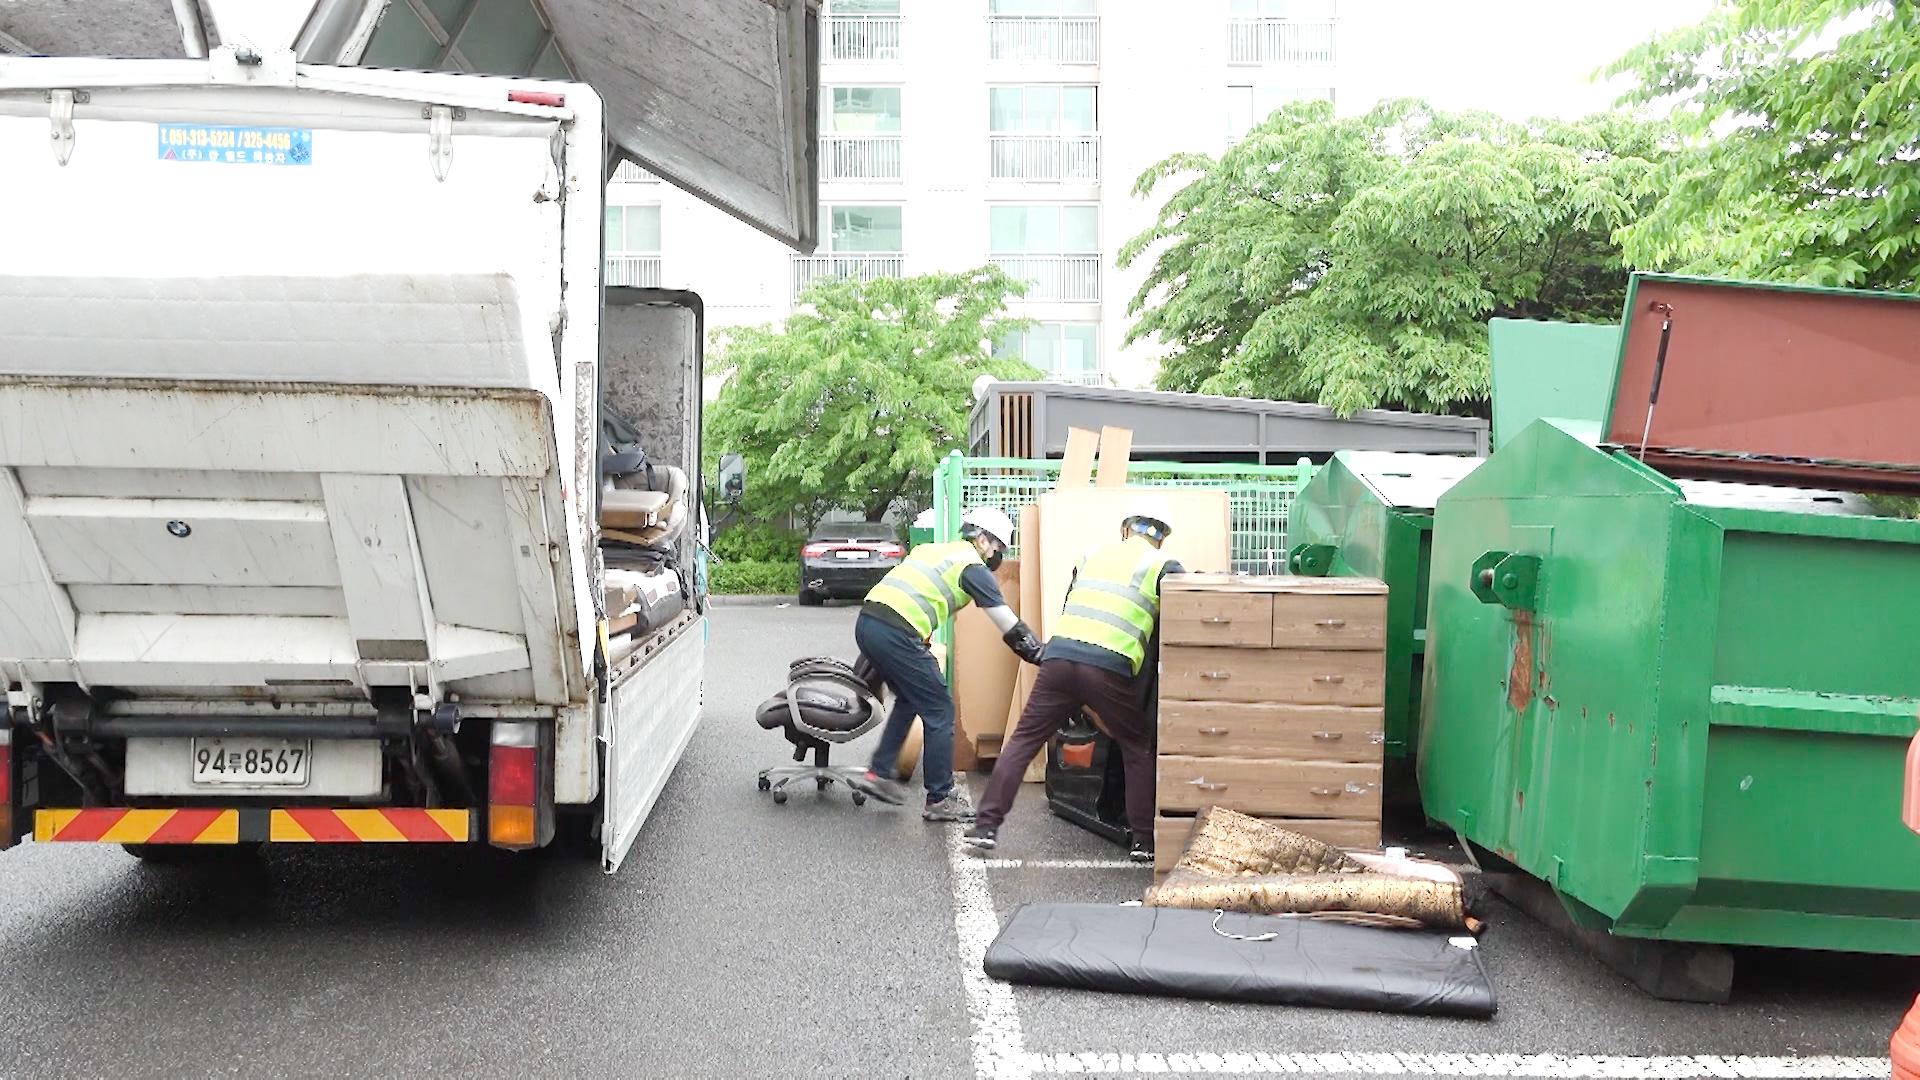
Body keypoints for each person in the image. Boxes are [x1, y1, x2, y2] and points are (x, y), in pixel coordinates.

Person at [963, 494, 1184, 862]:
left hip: (1060, 656)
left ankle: (986, 826)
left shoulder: (1089, 556)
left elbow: (1070, 606)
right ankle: (1144, 841)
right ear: (1160, 536)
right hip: (1109, 665)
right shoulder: (1163, 565)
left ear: (1126, 529)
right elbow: (1179, 622)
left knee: (1022, 740)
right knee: (1136, 746)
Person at [856, 506, 1043, 821]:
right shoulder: (971, 567)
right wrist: (1037, 652)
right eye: (997, 547)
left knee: (910, 699)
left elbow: (916, 593)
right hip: (896, 631)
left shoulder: (934, 550)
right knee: (939, 709)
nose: (997, 555)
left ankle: (879, 773)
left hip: (868, 623)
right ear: (982, 540)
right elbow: (1005, 621)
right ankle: (939, 797)